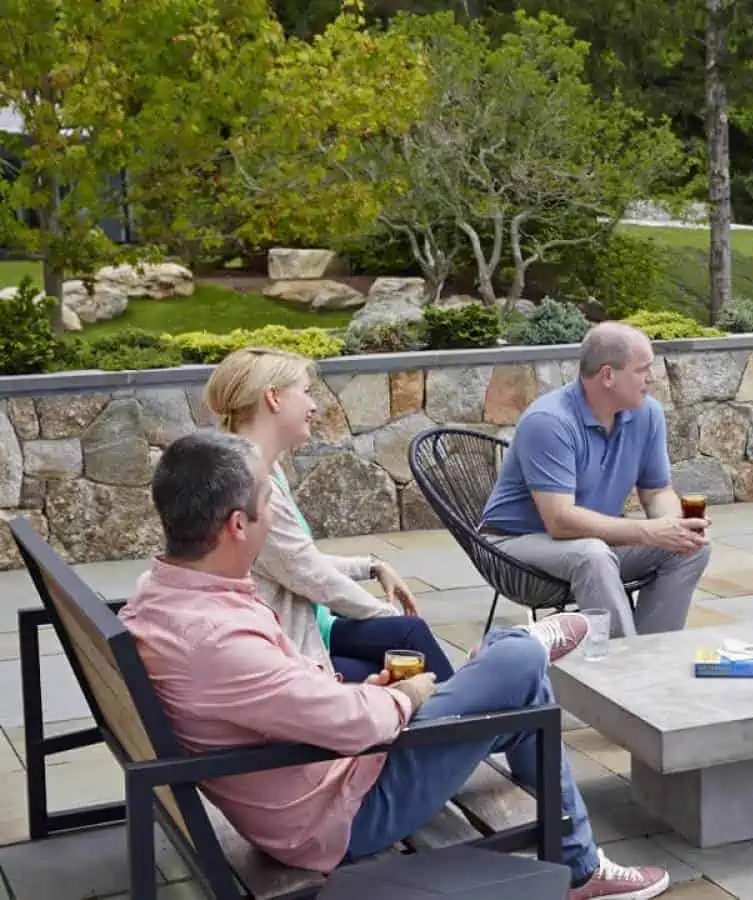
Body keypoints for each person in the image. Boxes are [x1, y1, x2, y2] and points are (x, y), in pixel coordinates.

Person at [121, 431, 670, 900]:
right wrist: (407, 695)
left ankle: (579, 857)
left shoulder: (164, 594)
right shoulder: (216, 638)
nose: (275, 517)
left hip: (315, 778)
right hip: (341, 815)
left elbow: (295, 702)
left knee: (520, 691)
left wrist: (362, 694)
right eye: (270, 501)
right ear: (238, 525)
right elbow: (357, 726)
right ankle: (518, 655)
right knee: (518, 667)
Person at [202, 347, 586, 684]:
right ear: (273, 398)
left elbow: (293, 560)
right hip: (293, 647)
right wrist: (382, 613)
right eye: (305, 392)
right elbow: (309, 575)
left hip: (311, 629)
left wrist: (371, 566)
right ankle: (480, 691)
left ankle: (485, 688)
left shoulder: (266, 469)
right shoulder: (249, 481)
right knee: (409, 639)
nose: (314, 405)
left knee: (414, 648)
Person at [479, 322, 711, 637]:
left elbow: (657, 490)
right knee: (592, 556)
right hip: (513, 548)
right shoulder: (549, 422)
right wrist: (648, 532)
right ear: (607, 375)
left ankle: (653, 657)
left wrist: (673, 527)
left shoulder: (646, 414)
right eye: (642, 369)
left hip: (590, 542)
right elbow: (560, 521)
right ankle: (619, 674)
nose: (652, 377)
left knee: (692, 547)